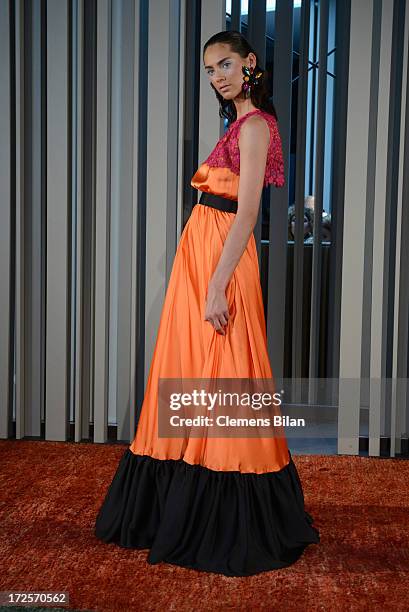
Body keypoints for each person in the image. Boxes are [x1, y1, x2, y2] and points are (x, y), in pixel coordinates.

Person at [94, 30, 320, 577]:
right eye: (209, 69)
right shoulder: (238, 124)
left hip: (221, 263)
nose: (217, 76)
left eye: (225, 64)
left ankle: (224, 508)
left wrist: (218, 285)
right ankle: (173, 501)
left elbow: (246, 214)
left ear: (250, 64)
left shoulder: (258, 125)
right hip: (201, 259)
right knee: (192, 370)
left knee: (228, 371)